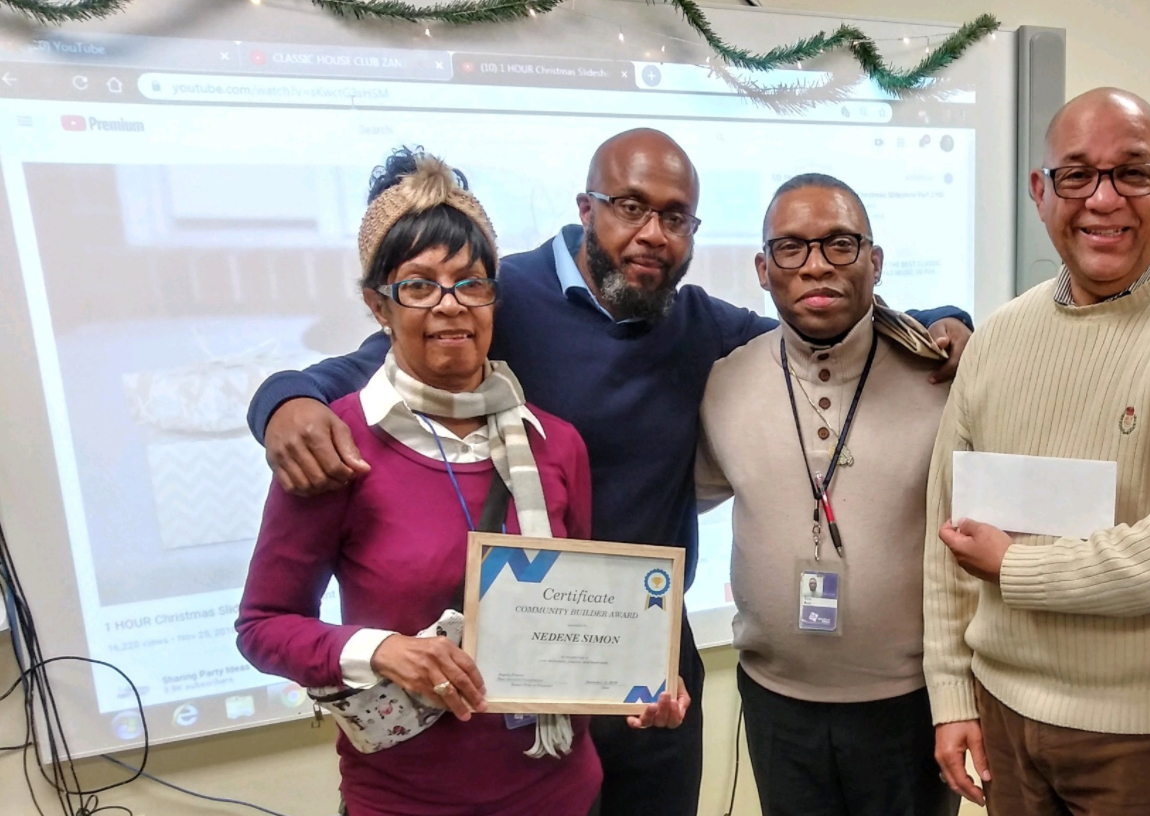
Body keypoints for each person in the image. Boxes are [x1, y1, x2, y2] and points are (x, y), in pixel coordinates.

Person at [244, 130, 972, 816]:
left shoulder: (695, 324)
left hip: (646, 654)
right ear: (586, 209)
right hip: (505, 685)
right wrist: (284, 400)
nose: (652, 234)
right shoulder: (500, 294)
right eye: (630, 208)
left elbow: (819, 329)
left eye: (676, 217)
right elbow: (376, 363)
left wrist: (942, 319)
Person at [236, 148, 686, 816]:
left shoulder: (554, 443)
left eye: (469, 283)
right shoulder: (337, 442)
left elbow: (584, 611)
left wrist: (644, 679)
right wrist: (381, 650)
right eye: (419, 285)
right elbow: (264, 625)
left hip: (561, 793)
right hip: (409, 801)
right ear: (378, 305)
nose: (450, 305)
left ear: (493, 295)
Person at [922, 87, 1150, 816]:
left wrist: (1017, 566)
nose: (1104, 199)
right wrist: (952, 693)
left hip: (1139, 736)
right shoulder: (999, 335)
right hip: (1000, 711)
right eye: (1078, 174)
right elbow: (946, 533)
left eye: (1134, 172)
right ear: (1041, 191)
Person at [695, 174, 959, 816]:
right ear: (762, 268)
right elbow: (683, 500)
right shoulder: (724, 384)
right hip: (775, 703)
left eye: (840, 245)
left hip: (911, 705)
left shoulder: (942, 377)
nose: (817, 266)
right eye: (791, 248)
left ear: (874, 261)